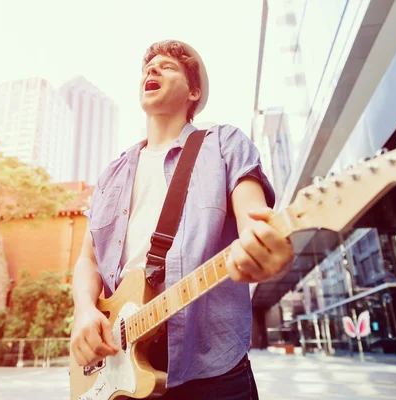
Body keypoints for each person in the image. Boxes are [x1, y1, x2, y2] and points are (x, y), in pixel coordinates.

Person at [71, 40, 294, 399]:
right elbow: (88, 259)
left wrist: (264, 245)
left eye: (167, 66)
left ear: (194, 91)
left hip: (212, 367)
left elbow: (254, 220)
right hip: (116, 368)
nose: (152, 70)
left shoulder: (223, 142)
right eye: (148, 66)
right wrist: (84, 309)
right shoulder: (111, 174)